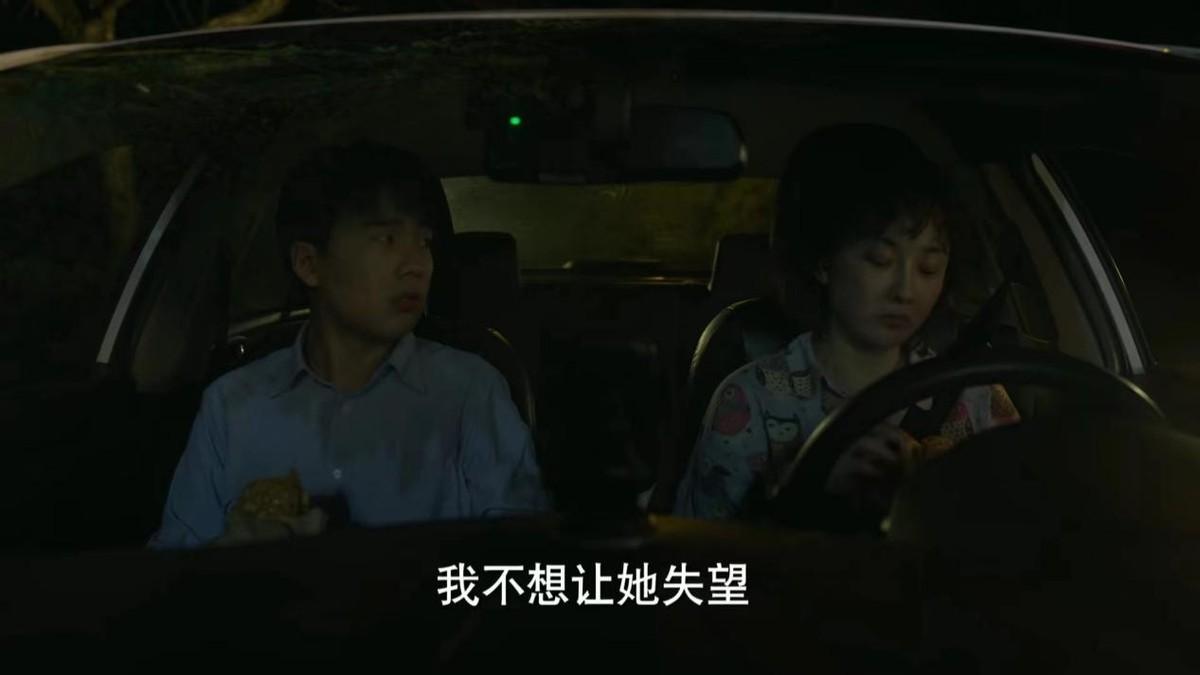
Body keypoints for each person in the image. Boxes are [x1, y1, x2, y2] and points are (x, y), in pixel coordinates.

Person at [150, 141, 549, 549]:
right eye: (387, 239)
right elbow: (174, 567)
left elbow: (523, 556)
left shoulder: (471, 391)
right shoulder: (231, 407)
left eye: (424, 242)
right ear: (309, 264)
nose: (417, 265)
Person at [674, 125, 1021, 522]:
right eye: (879, 261)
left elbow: (1026, 530)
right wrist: (804, 489)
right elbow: (701, 550)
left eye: (928, 267)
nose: (905, 290)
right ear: (824, 263)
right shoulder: (750, 401)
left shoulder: (974, 394)